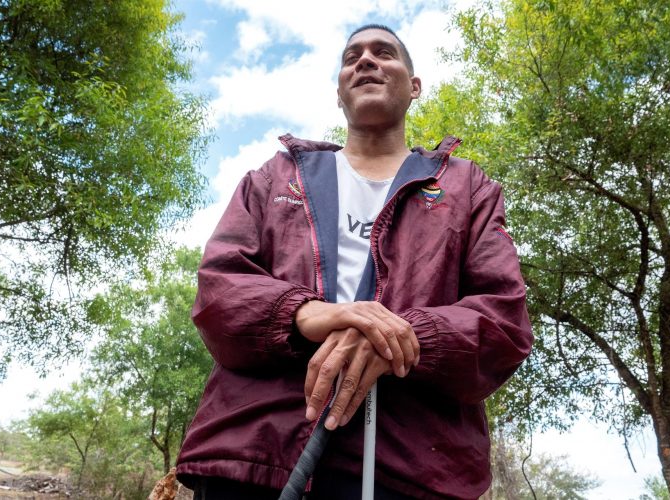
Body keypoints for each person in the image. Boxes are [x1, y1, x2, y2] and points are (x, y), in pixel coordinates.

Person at [174, 24, 533, 499]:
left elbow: (503, 321)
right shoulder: (274, 177)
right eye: (351, 57)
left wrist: (402, 337)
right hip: (253, 458)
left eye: (384, 53)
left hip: (409, 471)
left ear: (414, 86)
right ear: (339, 93)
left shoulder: (469, 189)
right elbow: (219, 287)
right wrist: (306, 313)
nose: (365, 61)